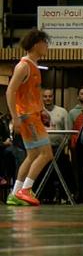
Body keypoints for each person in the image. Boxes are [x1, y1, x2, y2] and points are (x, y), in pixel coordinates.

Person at [5, 29, 54, 206]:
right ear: (36, 44)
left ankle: (15, 192)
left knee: (32, 155)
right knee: (46, 154)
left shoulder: (34, 66)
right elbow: (10, 91)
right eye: (45, 43)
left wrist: (41, 110)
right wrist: (15, 117)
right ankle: (25, 189)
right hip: (27, 116)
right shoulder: (24, 65)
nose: (47, 46)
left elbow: (32, 93)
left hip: (32, 114)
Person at [42, 89, 70, 153]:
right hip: (43, 148)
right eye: (45, 96)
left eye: (50, 96)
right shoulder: (38, 113)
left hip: (59, 147)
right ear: (42, 98)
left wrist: (66, 146)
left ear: (53, 97)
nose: (47, 98)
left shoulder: (63, 111)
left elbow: (67, 131)